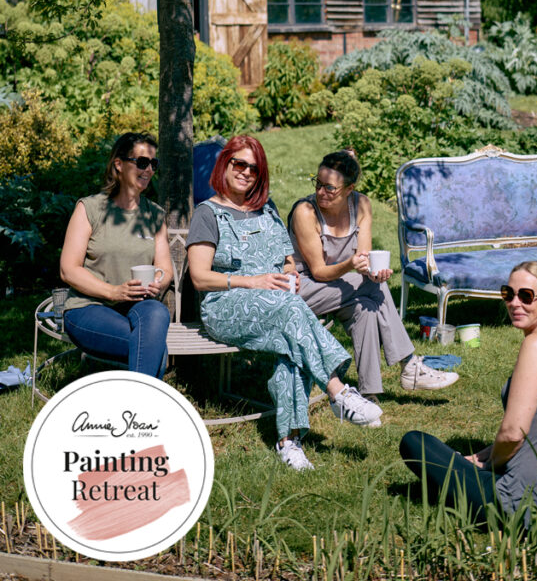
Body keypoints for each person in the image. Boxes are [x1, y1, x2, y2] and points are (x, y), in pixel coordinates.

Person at [186, 135, 383, 472]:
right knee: (292, 316)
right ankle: (338, 391)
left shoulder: (267, 209)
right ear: (225, 165)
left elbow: (287, 259)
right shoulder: (208, 213)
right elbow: (200, 277)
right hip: (226, 305)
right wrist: (253, 281)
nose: (246, 172)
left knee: (289, 339)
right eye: (239, 164)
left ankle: (289, 442)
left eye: (254, 167)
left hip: (274, 304)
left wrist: (290, 273)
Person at [400, 261, 537, 529]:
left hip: (528, 507)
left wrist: (489, 463)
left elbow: (514, 434)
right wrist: (481, 456)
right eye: (508, 294)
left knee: (415, 443)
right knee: (459, 459)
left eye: (526, 296)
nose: (514, 303)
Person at [288, 149, 458, 403]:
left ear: (349, 189)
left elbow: (365, 260)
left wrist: (376, 274)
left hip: (344, 286)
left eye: (330, 188)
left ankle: (370, 394)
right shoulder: (306, 212)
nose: (321, 192)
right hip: (303, 287)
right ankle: (409, 365)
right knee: (367, 287)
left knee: (367, 307)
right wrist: (354, 268)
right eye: (318, 184)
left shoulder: (362, 205)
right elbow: (319, 272)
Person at [60, 132, 172, 379]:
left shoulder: (154, 215)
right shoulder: (90, 208)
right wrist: (113, 292)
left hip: (136, 306)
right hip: (88, 307)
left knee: (158, 312)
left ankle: (132, 411)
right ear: (118, 165)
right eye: (142, 162)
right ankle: (142, 413)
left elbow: (164, 267)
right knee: (155, 351)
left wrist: (158, 281)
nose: (149, 170)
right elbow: (68, 269)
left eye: (154, 164)